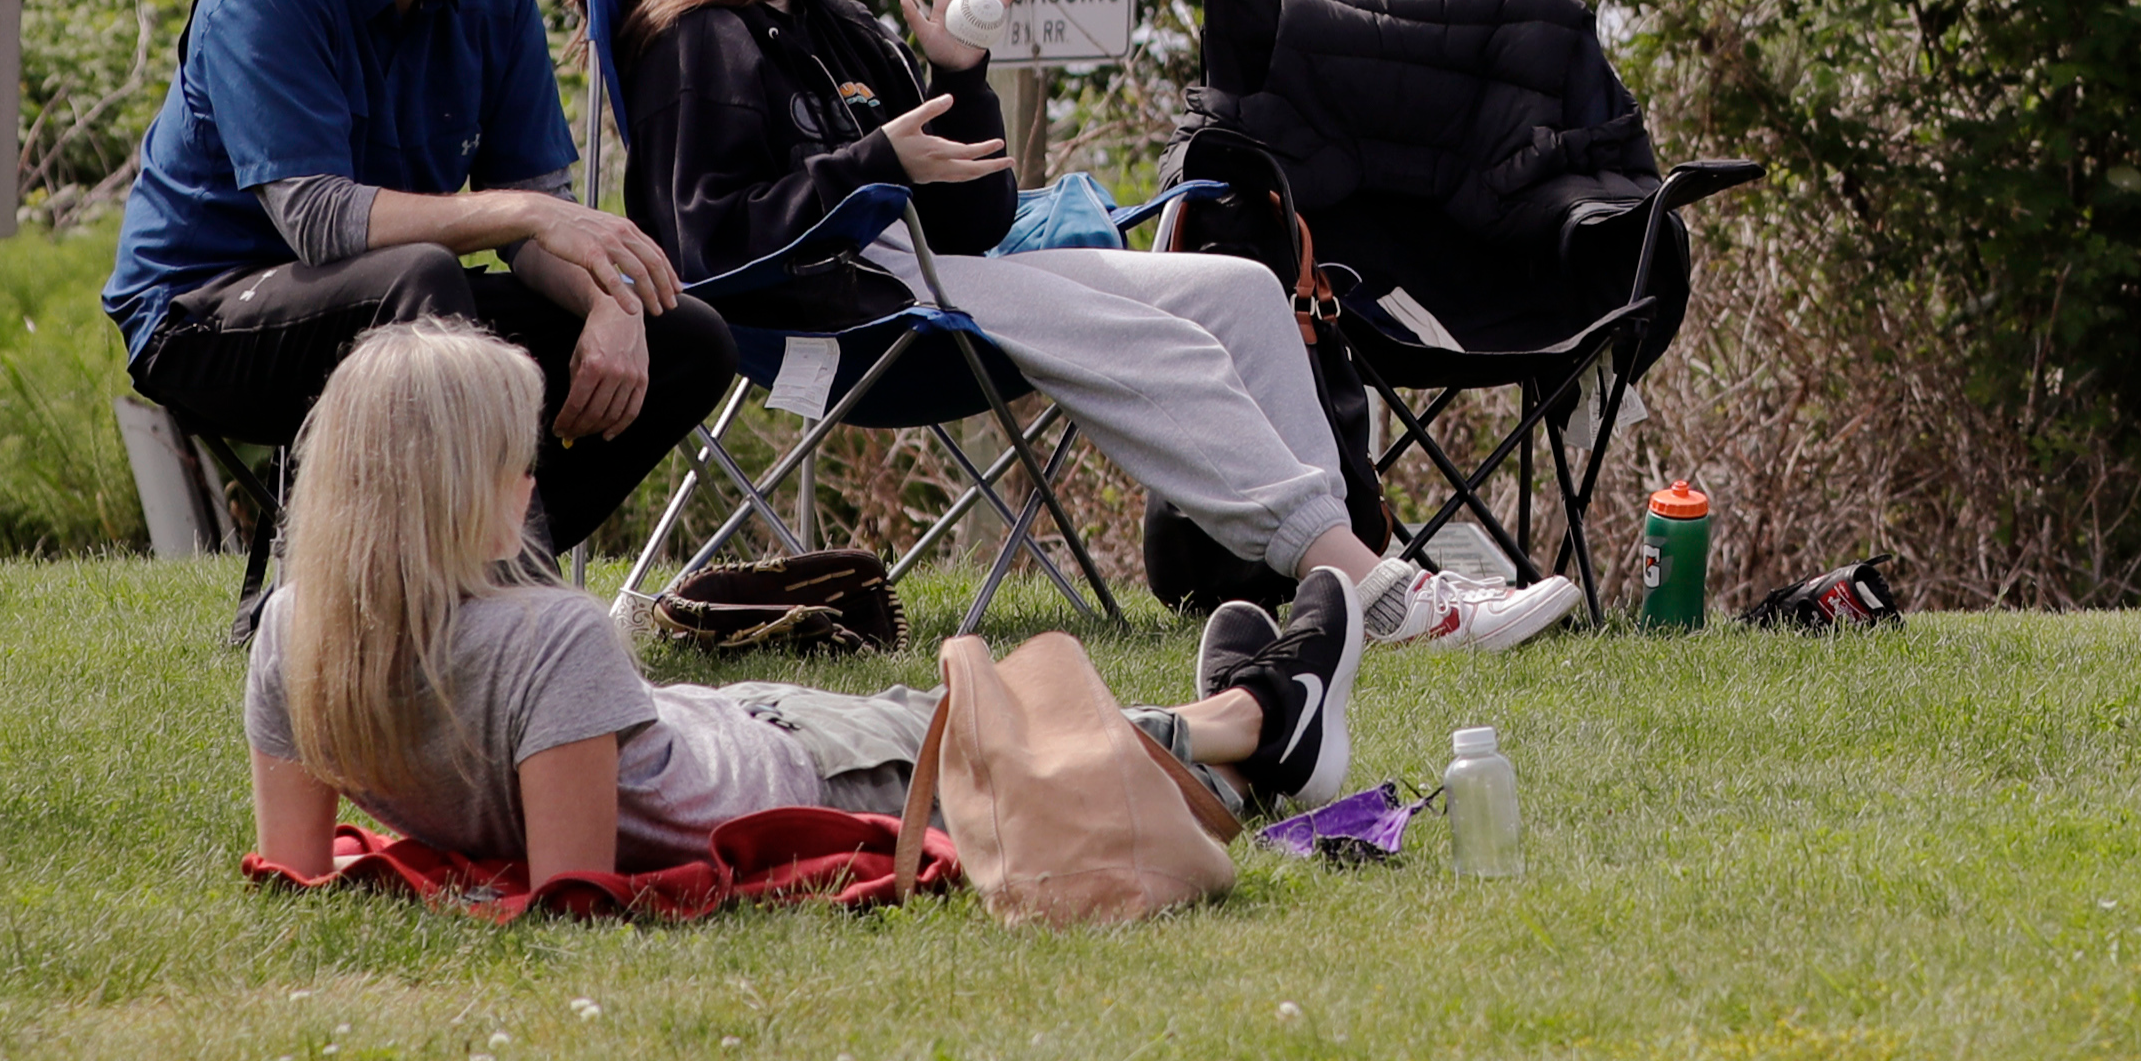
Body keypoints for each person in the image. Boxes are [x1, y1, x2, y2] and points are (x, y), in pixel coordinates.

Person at [605, 0, 1579, 654]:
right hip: (833, 315)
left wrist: (958, 73)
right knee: (1169, 348)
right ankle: (1387, 599)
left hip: (930, 272)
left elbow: (973, 218)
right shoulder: (703, 44)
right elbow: (706, 240)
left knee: (1238, 291)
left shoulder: (840, 29)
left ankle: (1344, 576)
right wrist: (872, 163)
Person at [246, 320, 1363, 883]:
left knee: (949, 709)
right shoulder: (548, 636)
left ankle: (1242, 723)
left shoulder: (301, 629)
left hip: (714, 733)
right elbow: (574, 890)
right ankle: (1264, 720)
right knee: (993, 730)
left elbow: (294, 866)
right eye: (509, 460)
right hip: (800, 774)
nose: (533, 483)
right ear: (444, 489)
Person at [109, 0, 734, 565]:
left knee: (687, 332)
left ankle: (485, 562)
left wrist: (610, 303)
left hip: (392, 297)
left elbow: (529, 232)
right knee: (423, 279)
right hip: (199, 315)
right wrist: (532, 213)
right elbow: (320, 223)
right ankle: (481, 587)